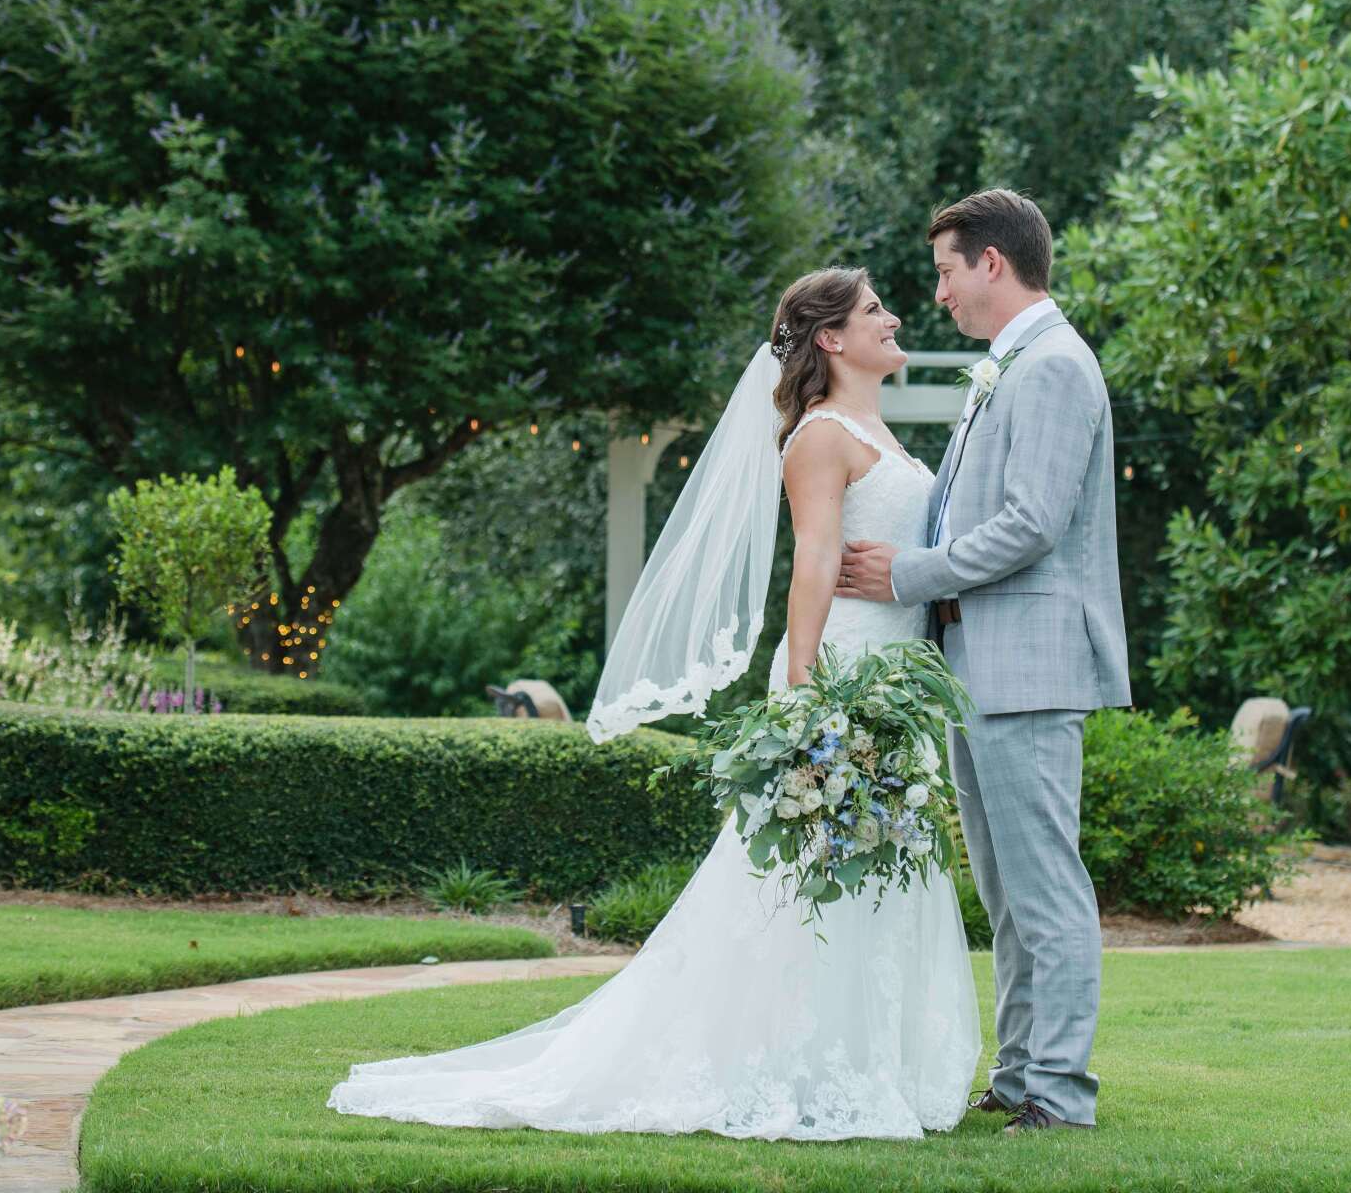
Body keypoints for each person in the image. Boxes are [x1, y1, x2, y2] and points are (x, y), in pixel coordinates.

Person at [327, 267, 980, 1142]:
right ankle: (799, 1066)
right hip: (845, 675)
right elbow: (814, 563)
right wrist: (808, 697)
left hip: (893, 677)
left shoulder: (875, 429)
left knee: (870, 870)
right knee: (801, 877)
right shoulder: (819, 437)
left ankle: (865, 1065)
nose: (893, 317)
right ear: (831, 338)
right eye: (873, 311)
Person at [837, 190, 1130, 1136]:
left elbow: (1032, 524)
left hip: (1030, 661)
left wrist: (906, 576)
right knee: (1008, 894)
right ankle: (1018, 1076)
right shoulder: (1006, 365)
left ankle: (1059, 1092)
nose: (939, 293)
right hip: (979, 659)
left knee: (1044, 884)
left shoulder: (1050, 366)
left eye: (946, 271)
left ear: (992, 265)